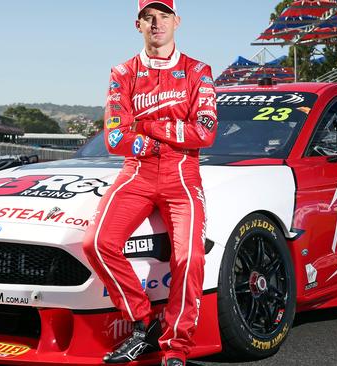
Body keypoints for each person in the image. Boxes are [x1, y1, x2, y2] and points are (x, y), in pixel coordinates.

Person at [82, 1, 217, 365]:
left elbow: (205, 133)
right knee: (96, 242)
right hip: (136, 172)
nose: (156, 24)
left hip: (182, 175)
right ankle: (143, 325)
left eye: (163, 16)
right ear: (137, 24)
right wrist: (170, 132)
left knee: (190, 256)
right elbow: (115, 139)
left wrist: (147, 127)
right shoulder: (122, 71)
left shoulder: (198, 71)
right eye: (148, 17)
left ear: (177, 21)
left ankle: (176, 347)